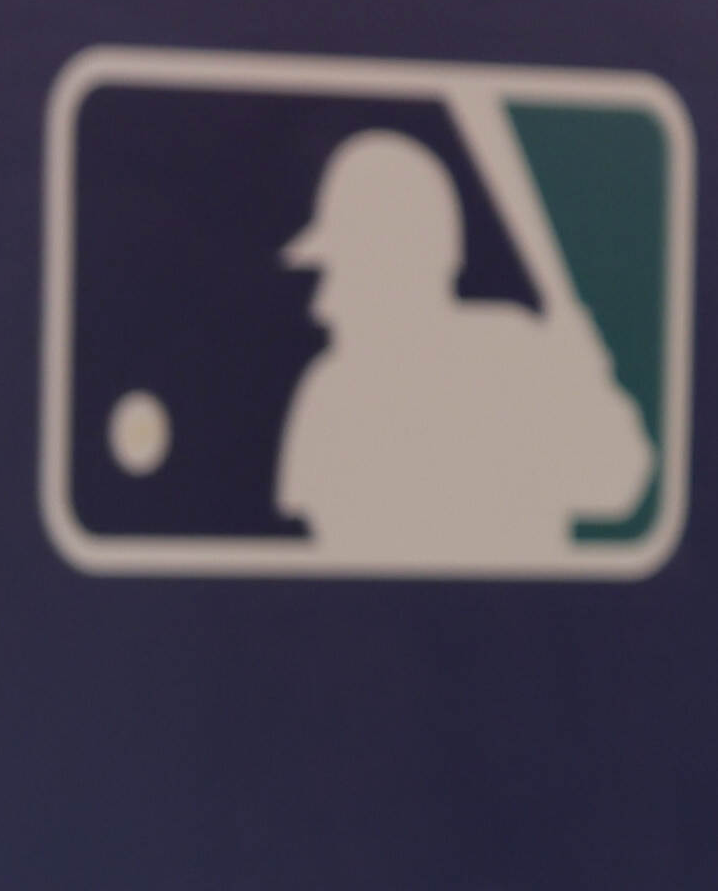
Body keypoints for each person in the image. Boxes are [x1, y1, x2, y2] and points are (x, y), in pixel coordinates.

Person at [273, 125, 654, 563]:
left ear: (401, 268)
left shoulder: (515, 360)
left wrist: (583, 384)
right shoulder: (335, 388)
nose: (325, 305)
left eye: (346, 271)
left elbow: (617, 481)